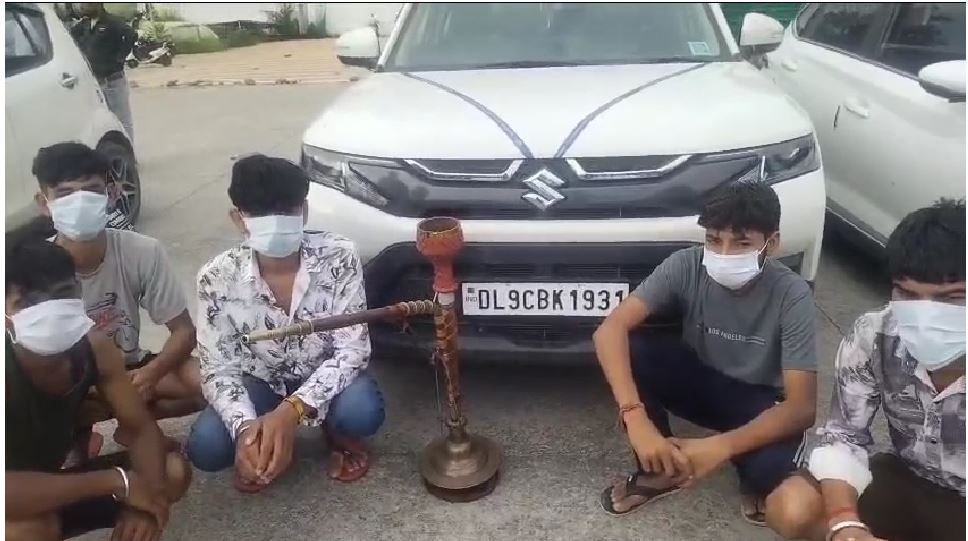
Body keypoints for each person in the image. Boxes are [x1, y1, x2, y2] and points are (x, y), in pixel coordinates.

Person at [595, 182, 818, 524]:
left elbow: (801, 408)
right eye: (714, 240)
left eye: (742, 243)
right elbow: (609, 330)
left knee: (772, 481)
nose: (724, 253)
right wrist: (635, 417)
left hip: (758, 399)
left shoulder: (793, 294)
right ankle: (660, 470)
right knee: (634, 349)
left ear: (771, 243)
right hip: (702, 379)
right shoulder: (686, 264)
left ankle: (746, 465)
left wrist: (719, 447)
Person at [767, 199, 966, 541]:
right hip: (909, 478)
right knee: (791, 506)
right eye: (908, 294)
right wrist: (844, 523)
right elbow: (844, 435)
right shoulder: (876, 334)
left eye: (951, 298)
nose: (926, 316)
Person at [187, 154, 385, 492]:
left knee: (361, 412)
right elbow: (218, 369)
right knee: (207, 448)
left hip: (324, 374)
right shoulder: (216, 277)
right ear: (238, 218)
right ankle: (265, 447)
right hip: (261, 382)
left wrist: (290, 412)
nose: (275, 223)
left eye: (285, 210)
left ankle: (331, 430)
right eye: (260, 213)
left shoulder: (339, 256)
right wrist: (246, 432)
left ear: (303, 211)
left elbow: (352, 351)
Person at [5, 237, 191, 541]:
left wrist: (145, 501)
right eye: (26, 303)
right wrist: (116, 482)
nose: (48, 312)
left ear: (78, 292)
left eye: (60, 295)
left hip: (49, 483)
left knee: (171, 471)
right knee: (30, 530)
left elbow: (140, 429)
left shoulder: (94, 349)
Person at [32, 143, 203, 455]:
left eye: (91, 190)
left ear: (111, 194)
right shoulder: (30, 268)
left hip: (131, 368)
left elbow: (183, 331)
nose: (79, 203)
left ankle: (133, 427)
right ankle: (85, 439)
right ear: (44, 203)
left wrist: (151, 373)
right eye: (65, 194)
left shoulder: (142, 251)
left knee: (209, 383)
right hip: (67, 381)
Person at [70, 3, 136, 140]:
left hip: (112, 80)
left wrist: (120, 57)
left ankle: (128, 150)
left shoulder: (112, 22)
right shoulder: (84, 24)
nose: (83, 7)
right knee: (99, 122)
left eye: (87, 4)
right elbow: (69, 35)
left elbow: (131, 34)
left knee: (121, 120)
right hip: (94, 81)